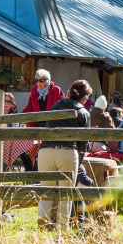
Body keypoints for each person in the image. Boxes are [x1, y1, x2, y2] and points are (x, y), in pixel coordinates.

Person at [37, 80, 92, 229]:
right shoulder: (83, 113)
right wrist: (78, 162)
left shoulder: (55, 107)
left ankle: (43, 222)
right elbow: (83, 142)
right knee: (66, 195)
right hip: (67, 151)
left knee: (46, 191)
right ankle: (62, 228)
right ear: (84, 97)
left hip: (45, 151)